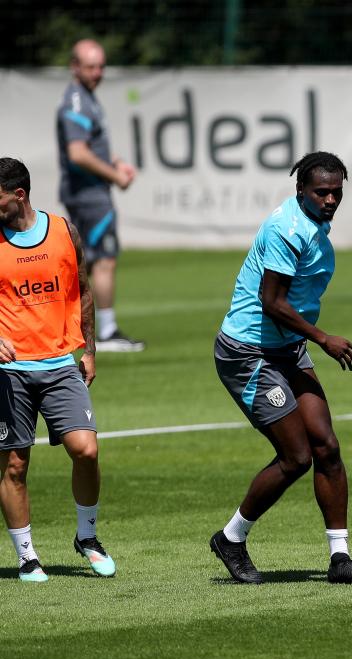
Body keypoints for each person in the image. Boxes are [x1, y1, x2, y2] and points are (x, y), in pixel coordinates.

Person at [210, 151, 352, 586]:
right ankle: (231, 538)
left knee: (327, 447)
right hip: (248, 353)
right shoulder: (287, 230)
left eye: (337, 191)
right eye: (322, 192)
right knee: (296, 456)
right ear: (300, 189)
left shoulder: (314, 222)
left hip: (285, 347)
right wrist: (323, 338)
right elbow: (272, 301)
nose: (331, 199)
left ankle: (340, 558)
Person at [0, 157, 116, 582]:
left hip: (60, 363)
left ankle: (87, 537)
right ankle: (27, 556)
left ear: (19, 195)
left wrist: (88, 348)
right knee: (14, 465)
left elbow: (81, 288)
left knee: (86, 450)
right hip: (9, 371)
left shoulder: (63, 231)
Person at [56, 39, 143, 352]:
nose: (98, 72)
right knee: (104, 259)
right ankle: (106, 332)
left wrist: (116, 161)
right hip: (89, 193)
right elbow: (78, 153)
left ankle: (73, 325)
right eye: (91, 66)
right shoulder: (77, 102)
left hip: (89, 191)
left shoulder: (86, 99)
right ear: (75, 66)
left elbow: (93, 146)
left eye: (101, 66)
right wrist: (115, 175)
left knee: (85, 262)